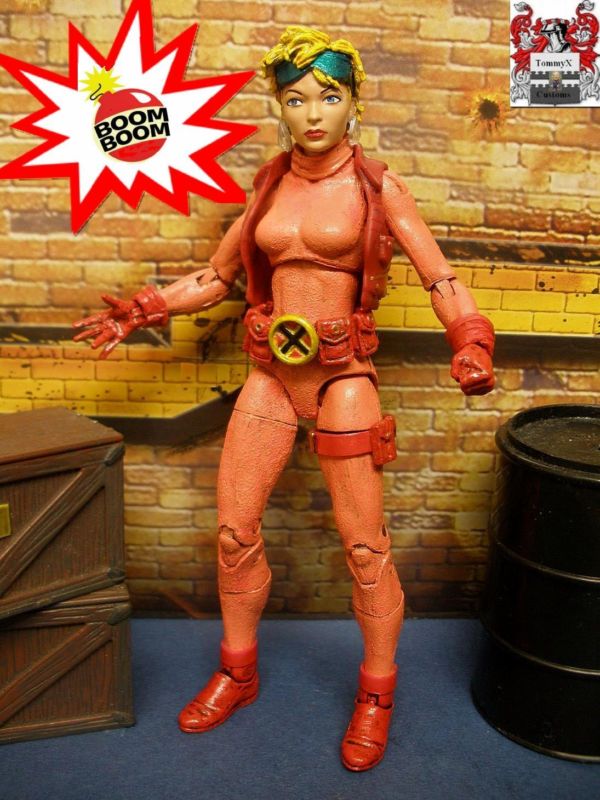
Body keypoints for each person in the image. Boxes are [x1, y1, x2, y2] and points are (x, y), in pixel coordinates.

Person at [73, 26, 495, 772]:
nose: (312, 113)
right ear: (280, 107)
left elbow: (441, 277)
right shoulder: (269, 183)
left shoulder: (378, 187)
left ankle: (377, 694)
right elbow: (218, 277)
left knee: (365, 548)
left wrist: (470, 338)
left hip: (341, 379)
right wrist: (143, 308)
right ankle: (238, 672)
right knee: (233, 533)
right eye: (296, 99)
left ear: (354, 102)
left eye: (328, 96)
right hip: (271, 373)